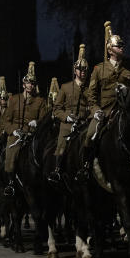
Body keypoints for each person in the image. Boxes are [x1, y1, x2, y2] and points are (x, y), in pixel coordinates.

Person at [78, 22, 130, 180]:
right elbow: (92, 95)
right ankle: (86, 166)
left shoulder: (128, 74)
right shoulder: (99, 69)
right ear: (110, 49)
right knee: (89, 135)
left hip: (123, 112)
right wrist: (96, 111)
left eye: (122, 45)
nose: (122, 48)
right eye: (119, 46)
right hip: (104, 112)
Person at [49, 44, 94, 184]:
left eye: (85, 70)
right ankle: (57, 170)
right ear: (75, 70)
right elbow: (56, 109)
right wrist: (66, 117)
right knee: (62, 145)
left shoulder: (89, 89)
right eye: (80, 70)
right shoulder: (65, 87)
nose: (82, 72)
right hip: (68, 124)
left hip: (83, 123)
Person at [3, 62, 49, 196]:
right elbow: (6, 121)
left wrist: (38, 122)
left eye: (33, 83)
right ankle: (10, 183)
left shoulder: (40, 101)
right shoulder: (14, 99)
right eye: (28, 83)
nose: (31, 85)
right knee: (11, 153)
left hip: (32, 134)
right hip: (17, 135)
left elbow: (44, 121)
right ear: (24, 85)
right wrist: (13, 130)